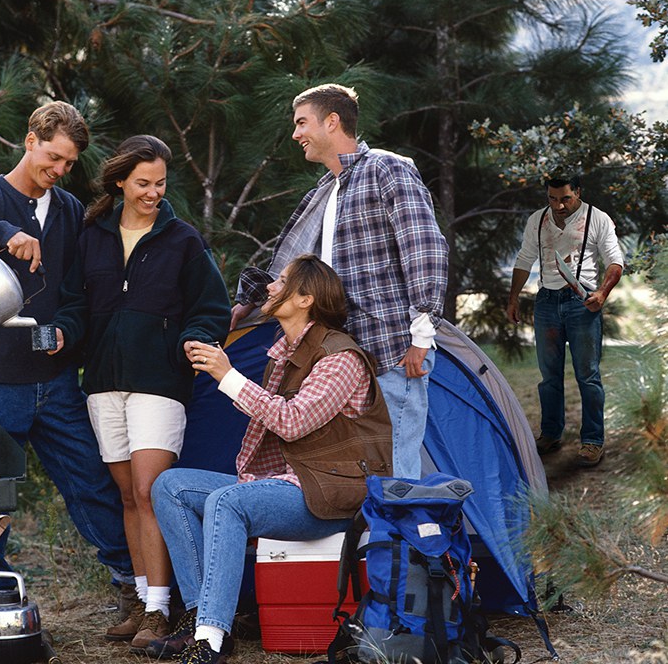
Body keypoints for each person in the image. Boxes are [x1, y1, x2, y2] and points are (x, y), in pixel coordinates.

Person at [0, 101, 134, 592]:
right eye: (53, 157)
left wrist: (67, 328)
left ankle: (133, 584)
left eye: (68, 164)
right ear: (31, 141)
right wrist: (1, 234)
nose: (59, 170)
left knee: (93, 484)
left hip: (56, 382)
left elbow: (79, 295)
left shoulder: (70, 211)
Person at [148, 254, 392, 664]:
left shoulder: (340, 358)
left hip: (330, 494)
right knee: (170, 486)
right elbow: (268, 423)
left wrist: (227, 376)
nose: (271, 287)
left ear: (305, 299)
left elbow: (293, 422)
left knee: (228, 502)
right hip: (290, 483)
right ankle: (197, 617)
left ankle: (211, 641)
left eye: (282, 281)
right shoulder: (286, 353)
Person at [50, 135, 231, 649]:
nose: (154, 193)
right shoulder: (91, 238)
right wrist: (64, 330)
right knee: (128, 496)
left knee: (153, 492)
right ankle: (143, 599)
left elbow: (211, 308)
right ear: (120, 183)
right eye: (144, 183)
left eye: (161, 184)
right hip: (103, 383)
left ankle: (160, 611)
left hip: (160, 383)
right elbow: (73, 305)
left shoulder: (183, 240)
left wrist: (188, 343)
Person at [231, 83, 448, 480]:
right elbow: (291, 263)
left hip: (390, 349)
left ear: (332, 122)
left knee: (394, 466)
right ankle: (365, 545)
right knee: (356, 471)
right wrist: (247, 303)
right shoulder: (325, 191)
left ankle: (401, 544)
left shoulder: (387, 168)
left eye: (301, 123)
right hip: (340, 359)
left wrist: (421, 334)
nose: (295, 134)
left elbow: (424, 247)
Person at [506, 174, 623, 467]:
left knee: (588, 375)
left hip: (582, 304)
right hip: (546, 302)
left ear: (578, 193)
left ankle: (593, 440)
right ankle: (551, 433)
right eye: (552, 198)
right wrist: (513, 298)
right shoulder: (538, 220)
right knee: (549, 377)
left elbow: (615, 262)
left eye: (565, 198)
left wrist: (602, 293)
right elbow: (524, 259)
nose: (558, 205)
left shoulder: (597, 219)